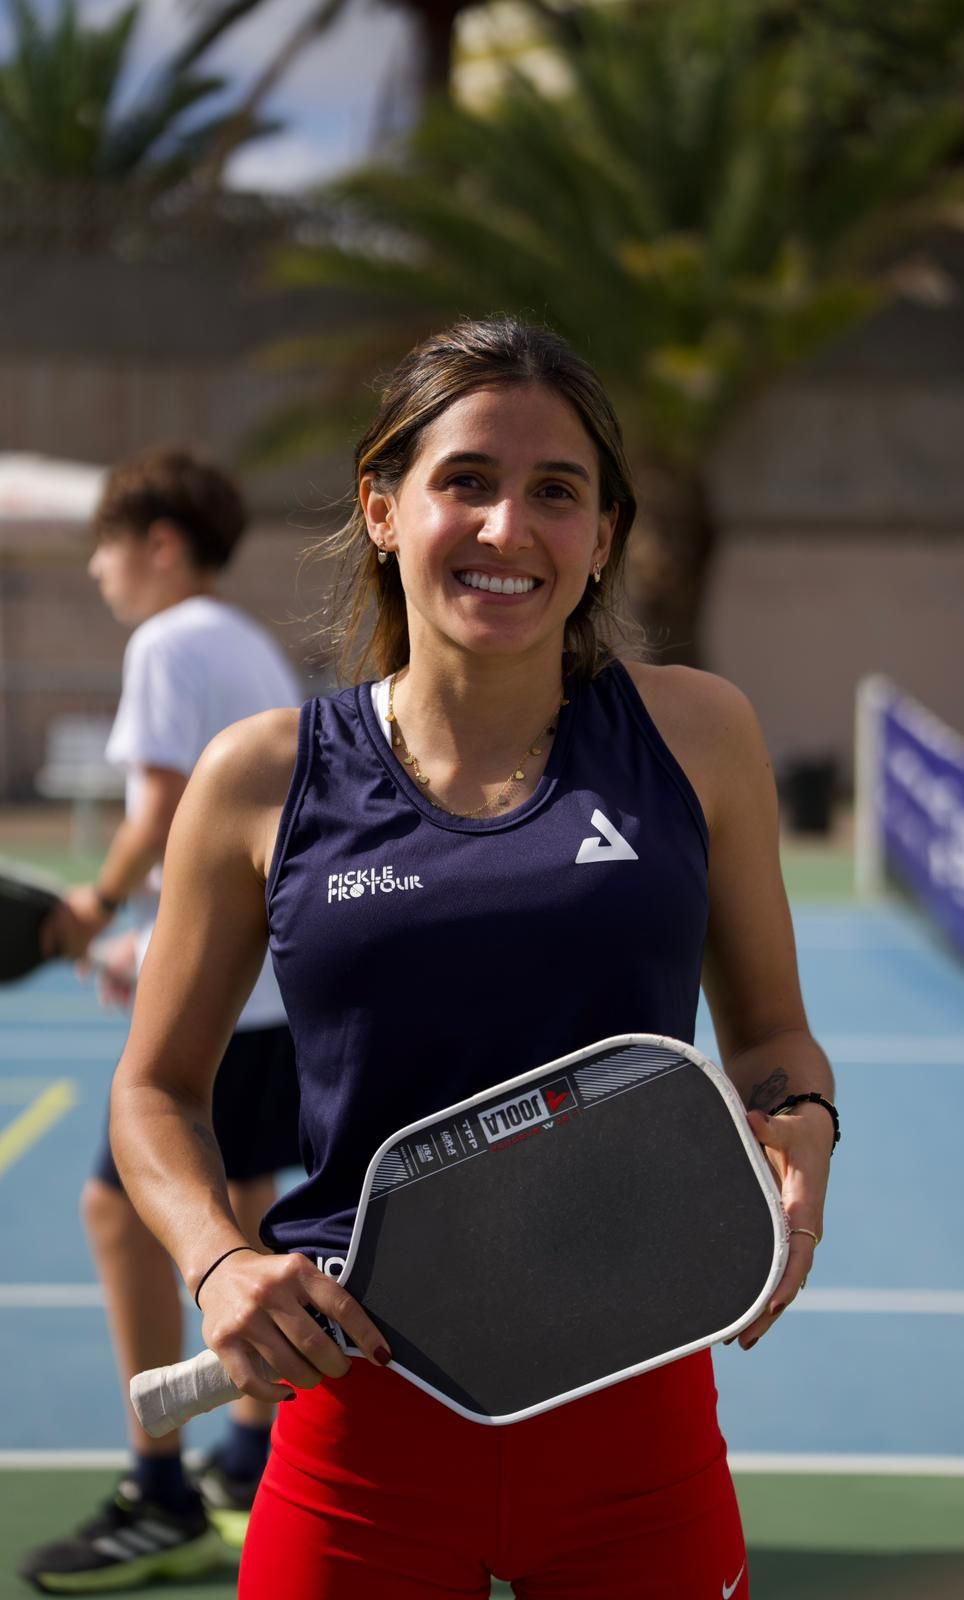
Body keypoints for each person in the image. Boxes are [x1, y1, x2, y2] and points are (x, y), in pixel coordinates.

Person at [105, 320, 836, 1599]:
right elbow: (155, 1092)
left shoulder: (698, 736)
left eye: (557, 492)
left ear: (603, 535)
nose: (509, 529)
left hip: (637, 1413)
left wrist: (803, 1127)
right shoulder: (259, 777)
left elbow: (770, 1036)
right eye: (467, 483)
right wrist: (217, 1261)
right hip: (355, 1426)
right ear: (383, 508)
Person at [20, 449, 304, 1594]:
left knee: (119, 1206)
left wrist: (92, 906)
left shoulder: (168, 640)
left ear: (162, 546)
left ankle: (161, 1487)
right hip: (285, 979)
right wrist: (152, 943)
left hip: (236, 997)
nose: (95, 568)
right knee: (244, 1210)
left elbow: (168, 808)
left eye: (107, 544)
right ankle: (247, 1456)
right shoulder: (243, 643)